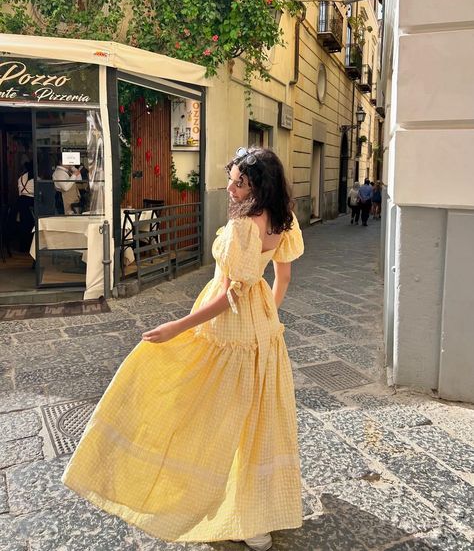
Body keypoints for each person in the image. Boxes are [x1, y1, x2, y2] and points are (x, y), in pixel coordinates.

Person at [62, 146, 305, 551]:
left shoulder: (245, 226)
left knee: (209, 410)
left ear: (256, 186)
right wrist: (268, 318)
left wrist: (177, 326)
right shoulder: (283, 219)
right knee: (257, 417)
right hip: (261, 324)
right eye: (231, 176)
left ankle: (199, 497)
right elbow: (282, 275)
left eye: (238, 181)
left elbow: (227, 295)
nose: (229, 185)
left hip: (227, 325)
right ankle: (255, 518)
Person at [17, 161, 35, 252]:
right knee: (31, 224)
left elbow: (20, 192)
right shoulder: (36, 178)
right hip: (31, 201)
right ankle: (30, 247)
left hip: (22, 201)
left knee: (23, 224)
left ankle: (22, 247)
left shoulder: (20, 178)